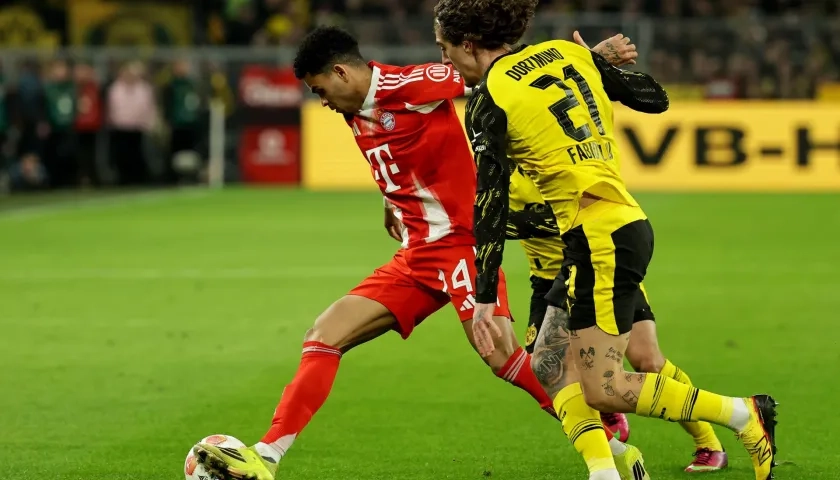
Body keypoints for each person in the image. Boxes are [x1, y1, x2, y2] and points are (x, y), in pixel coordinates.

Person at [193, 26, 646, 480]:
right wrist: (392, 201)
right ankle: (266, 456)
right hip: (415, 256)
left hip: (459, 248)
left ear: (340, 72)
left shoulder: (409, 86)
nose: (322, 101)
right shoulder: (354, 108)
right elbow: (402, 155)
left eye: (321, 90)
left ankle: (611, 451)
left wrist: (583, 59)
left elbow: (493, 72)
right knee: (324, 335)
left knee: (504, 358)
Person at [433, 1, 778, 479]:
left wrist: (486, 296)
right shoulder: (563, 54)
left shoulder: (490, 97)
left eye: (445, 48)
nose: (445, 60)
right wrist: (593, 61)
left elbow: (490, 202)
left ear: (467, 44)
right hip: (606, 230)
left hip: (598, 237)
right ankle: (605, 472)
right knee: (549, 364)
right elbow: (654, 98)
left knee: (605, 386)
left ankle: (744, 414)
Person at [506, 166, 728, 472]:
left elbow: (564, 217)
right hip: (546, 282)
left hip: (599, 267)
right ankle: (612, 452)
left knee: (647, 360)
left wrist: (492, 223)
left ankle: (709, 442)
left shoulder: (558, 158)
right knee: (549, 373)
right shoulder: (494, 167)